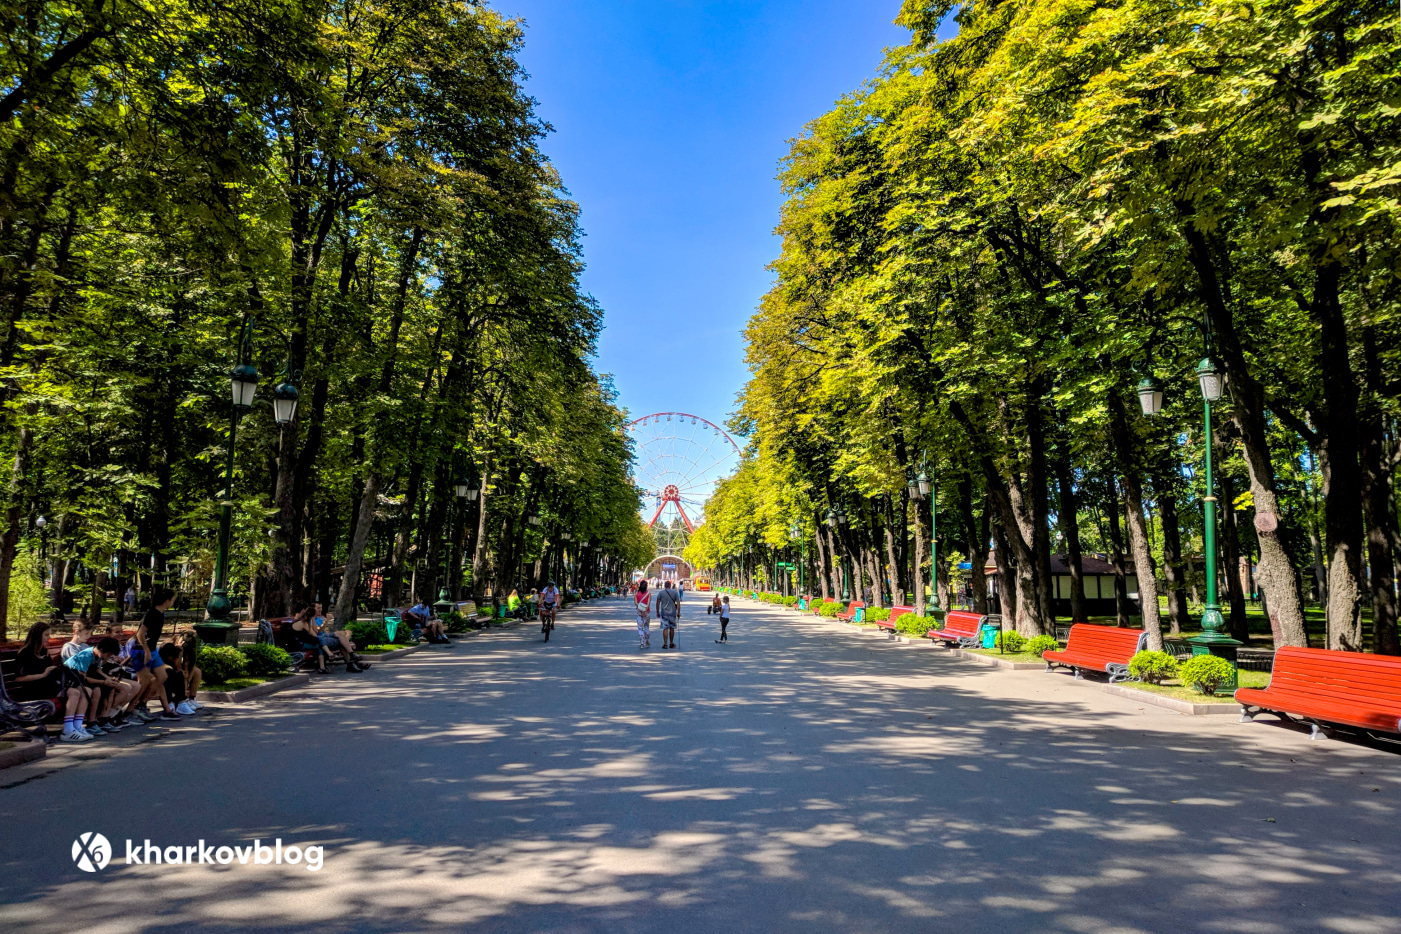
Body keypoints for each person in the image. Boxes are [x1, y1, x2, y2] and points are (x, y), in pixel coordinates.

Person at [11, 621, 91, 741]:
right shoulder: (25, 653)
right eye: (46, 635)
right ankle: (68, 730)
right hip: (34, 688)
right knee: (73, 693)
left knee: (85, 690)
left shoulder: (44, 652)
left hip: (49, 685)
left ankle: (77, 727)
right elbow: (19, 678)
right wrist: (43, 674)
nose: (49, 638)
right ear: (38, 635)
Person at [62, 637, 124, 741]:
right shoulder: (86, 655)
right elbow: (83, 678)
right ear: (103, 650)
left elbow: (97, 670)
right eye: (108, 655)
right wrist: (104, 682)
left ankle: (80, 725)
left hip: (78, 680)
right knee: (88, 691)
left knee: (101, 689)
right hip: (69, 680)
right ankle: (74, 727)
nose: (108, 658)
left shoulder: (97, 656)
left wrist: (108, 679)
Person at [656, 580, 682, 650]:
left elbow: (658, 602)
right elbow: (678, 603)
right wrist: (678, 612)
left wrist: (657, 612)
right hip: (672, 613)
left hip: (664, 613)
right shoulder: (675, 592)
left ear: (664, 586)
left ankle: (665, 643)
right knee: (672, 628)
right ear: (670, 586)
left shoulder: (661, 593)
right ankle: (671, 642)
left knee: (665, 628)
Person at [633, 579, 651, 649]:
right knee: (646, 626)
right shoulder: (648, 594)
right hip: (647, 613)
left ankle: (641, 643)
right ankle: (647, 639)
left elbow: (636, 603)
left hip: (639, 613)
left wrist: (640, 608)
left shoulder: (636, 594)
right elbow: (648, 604)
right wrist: (645, 610)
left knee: (640, 628)